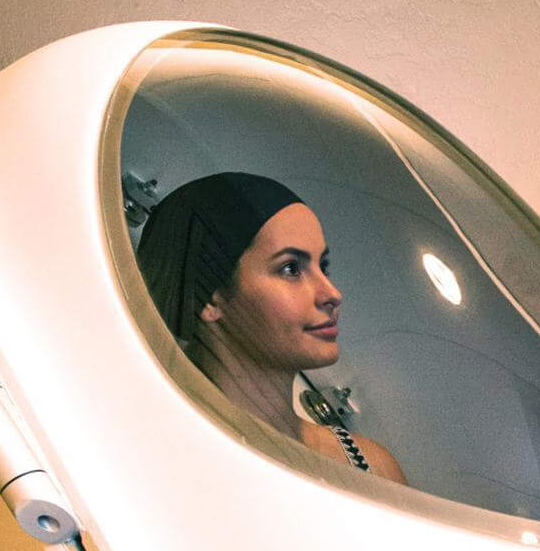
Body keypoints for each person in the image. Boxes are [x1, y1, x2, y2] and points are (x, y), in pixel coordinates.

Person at [134, 171, 404, 482]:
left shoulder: (372, 466)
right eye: (291, 268)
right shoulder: (160, 458)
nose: (332, 293)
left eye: (323, 266)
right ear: (211, 299)